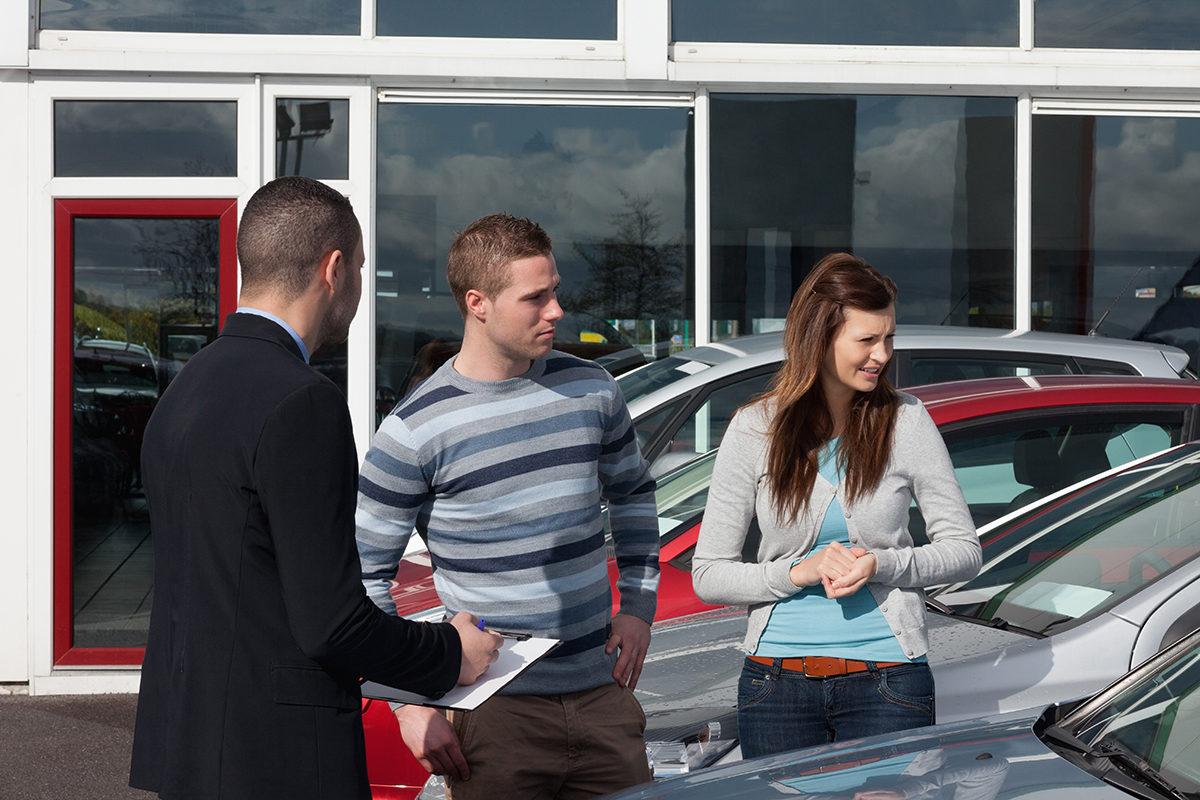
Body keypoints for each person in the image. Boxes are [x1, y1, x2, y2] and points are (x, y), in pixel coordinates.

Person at [129, 176, 501, 800]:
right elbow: (332, 624)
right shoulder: (303, 402)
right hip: (274, 759)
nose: (358, 288)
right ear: (334, 269)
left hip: (190, 745)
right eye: (359, 267)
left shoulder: (184, 390)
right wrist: (450, 653)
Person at [356, 213, 660, 800]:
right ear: (478, 303)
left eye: (556, 292)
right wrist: (406, 703)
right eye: (535, 297)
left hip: (603, 695)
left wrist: (640, 606)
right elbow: (365, 581)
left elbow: (633, 494)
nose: (556, 311)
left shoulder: (593, 387)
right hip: (494, 715)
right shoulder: (413, 429)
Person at [691, 252, 981, 758]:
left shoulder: (906, 421)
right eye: (867, 339)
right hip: (775, 686)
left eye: (888, 337)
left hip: (889, 684)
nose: (883, 354)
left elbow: (964, 551)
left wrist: (881, 563)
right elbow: (708, 574)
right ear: (818, 339)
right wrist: (797, 572)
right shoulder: (754, 427)